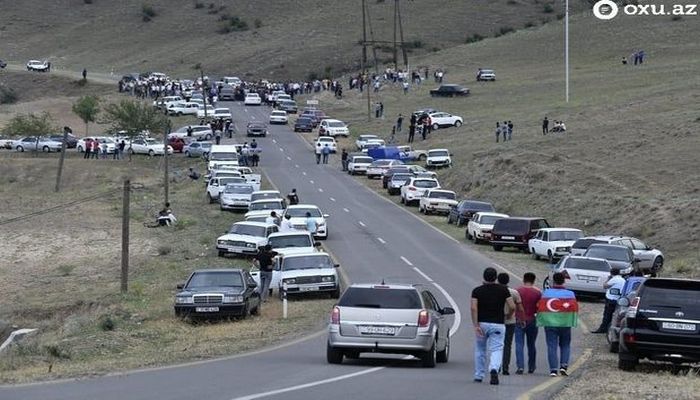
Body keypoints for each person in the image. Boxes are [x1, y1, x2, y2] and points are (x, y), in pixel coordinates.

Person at [471, 267, 516, 385]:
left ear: (483, 276)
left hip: (482, 323)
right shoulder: (503, 290)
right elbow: (512, 306)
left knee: (480, 349)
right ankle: (494, 369)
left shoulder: (477, 291)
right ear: (495, 277)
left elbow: (473, 307)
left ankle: (479, 375)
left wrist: (476, 324)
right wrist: (508, 315)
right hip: (498, 324)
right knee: (496, 349)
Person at [537, 272, 578, 377]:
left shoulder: (546, 293)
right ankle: (563, 366)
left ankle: (553, 370)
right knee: (565, 345)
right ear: (564, 281)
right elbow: (574, 308)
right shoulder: (570, 294)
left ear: (553, 281)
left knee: (552, 346)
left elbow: (540, 307)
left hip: (550, 323)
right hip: (565, 323)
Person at [515, 272, 542, 375]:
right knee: (531, 344)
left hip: (519, 319)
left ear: (523, 279)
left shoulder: (517, 291)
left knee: (519, 344)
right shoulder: (538, 293)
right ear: (534, 280)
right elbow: (539, 307)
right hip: (532, 319)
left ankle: (520, 366)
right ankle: (531, 366)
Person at [498, 273, 523, 376]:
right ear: (508, 281)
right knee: (507, 345)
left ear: (498, 280)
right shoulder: (514, 293)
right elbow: (520, 308)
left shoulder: (496, 292)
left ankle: (496, 365)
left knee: (497, 345)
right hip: (510, 322)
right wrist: (519, 317)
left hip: (497, 321)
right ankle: (505, 367)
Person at [592, 268, 625, 333]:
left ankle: (603, 329)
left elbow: (605, 286)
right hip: (618, 299)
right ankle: (609, 328)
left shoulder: (614, 279)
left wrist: (608, 279)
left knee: (607, 315)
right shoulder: (623, 280)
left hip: (611, 299)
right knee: (614, 315)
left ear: (611, 273)